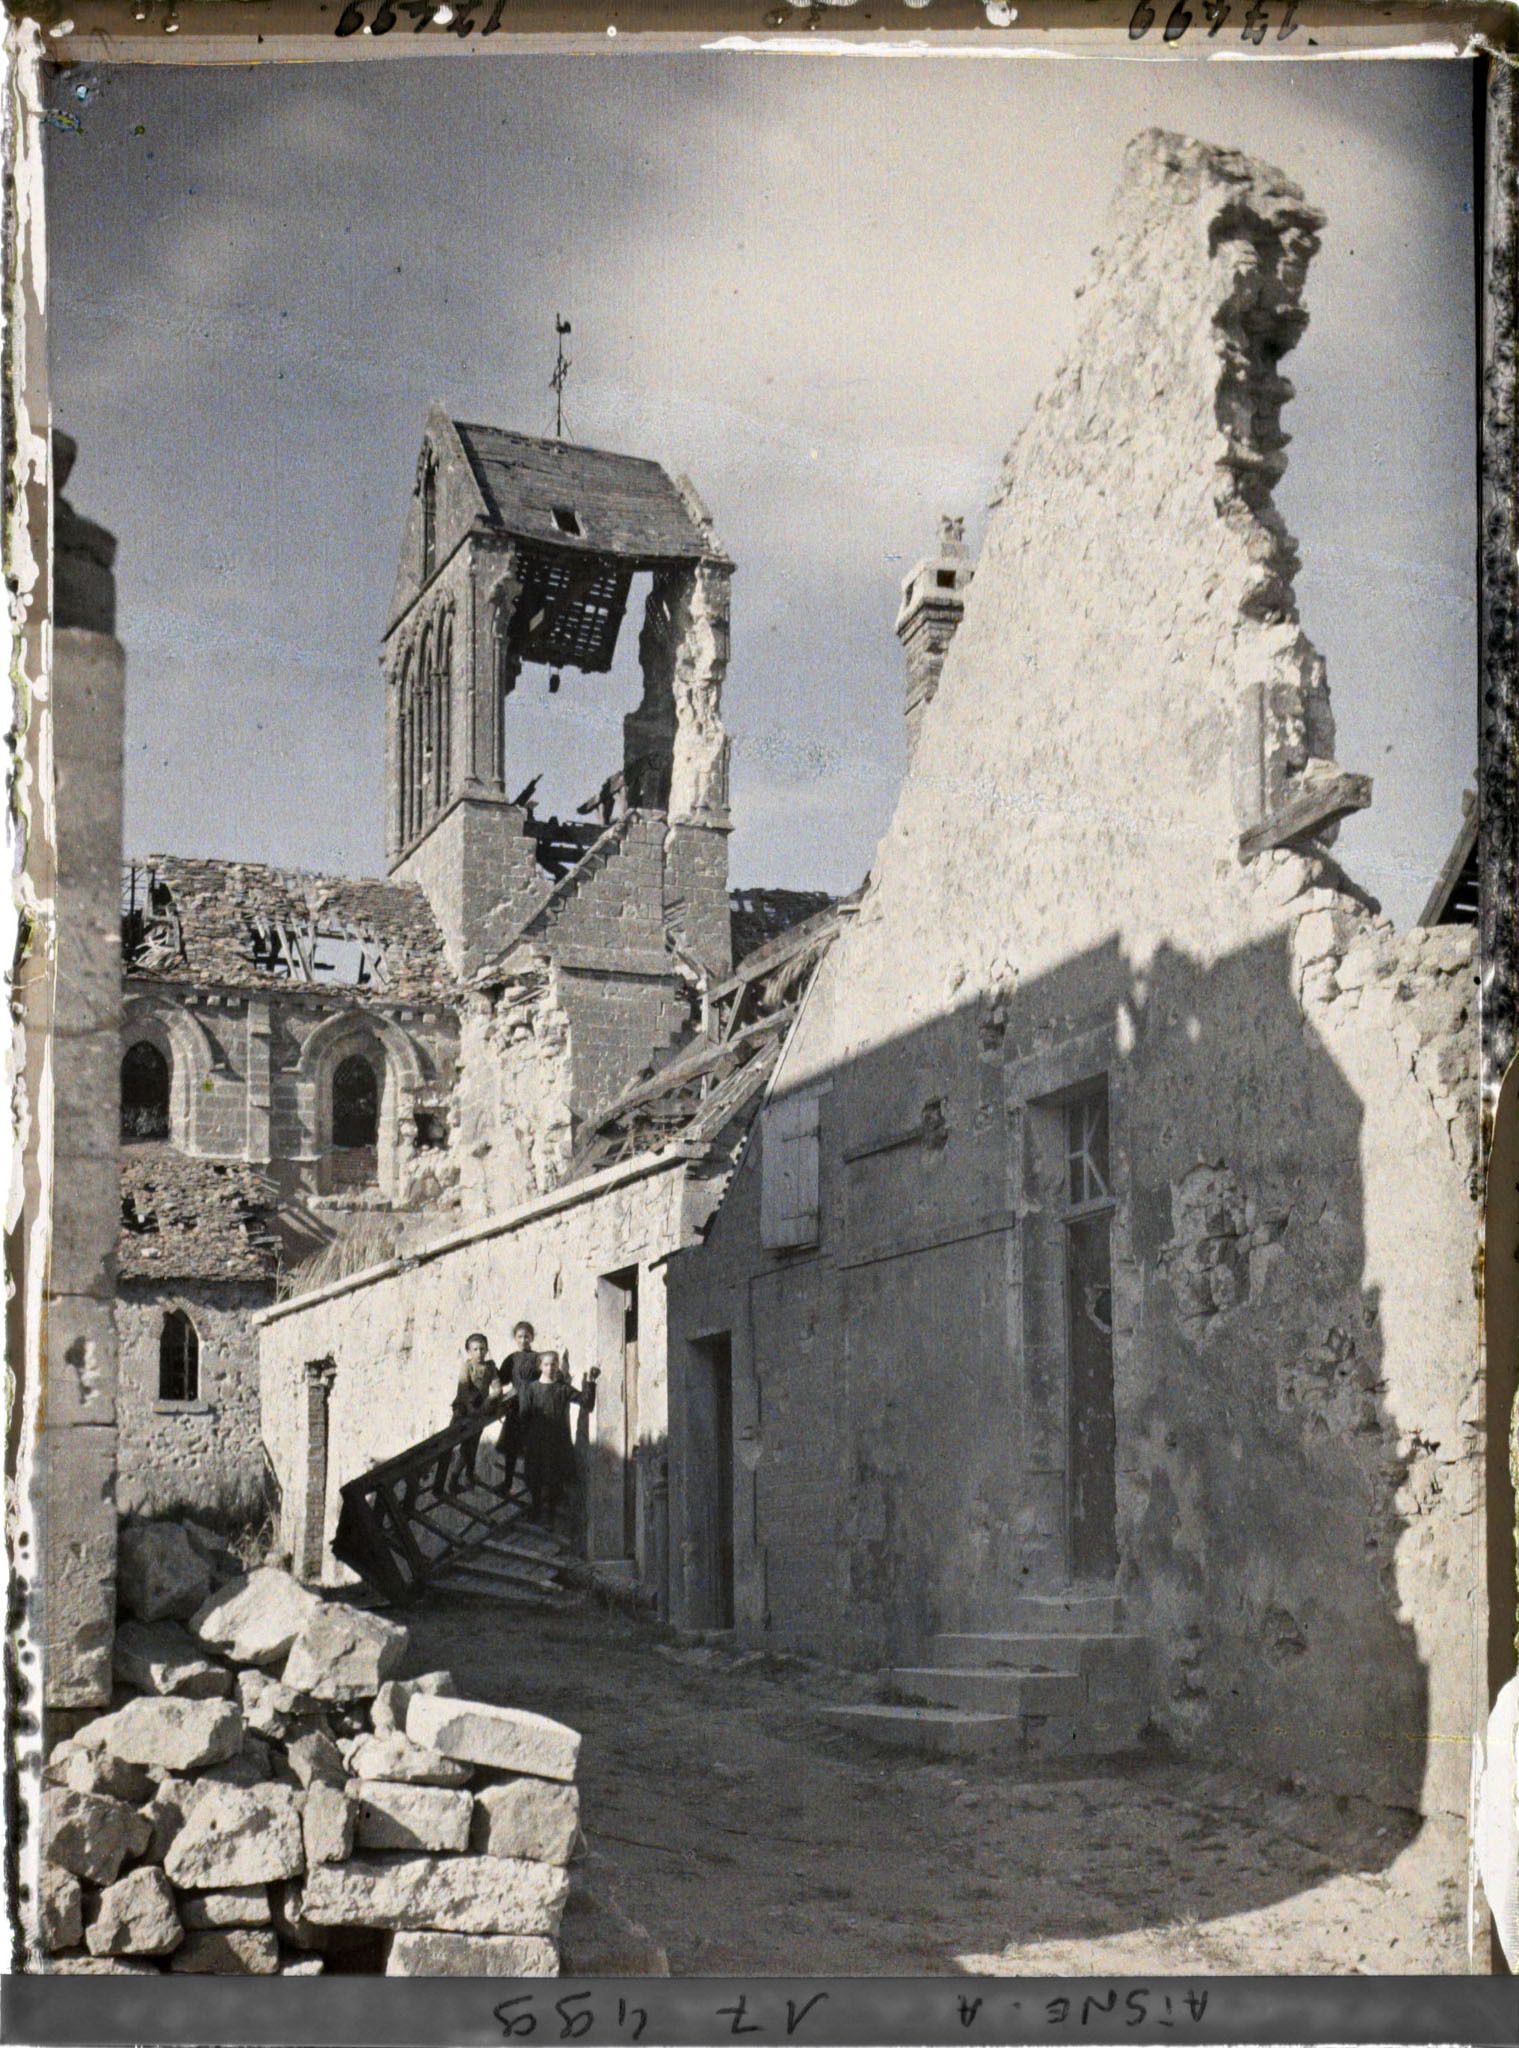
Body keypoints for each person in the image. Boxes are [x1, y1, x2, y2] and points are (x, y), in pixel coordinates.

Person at [519, 1352, 599, 1525]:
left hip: (556, 1442)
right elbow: (524, 1416)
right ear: (540, 1366)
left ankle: (549, 1518)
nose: (550, 1368)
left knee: (551, 1480)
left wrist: (591, 1382)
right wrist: (525, 1442)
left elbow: (586, 1402)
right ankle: (535, 1512)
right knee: (534, 1478)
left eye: (554, 1364)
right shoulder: (531, 1388)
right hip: (536, 1441)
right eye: (547, 1364)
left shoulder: (562, 1388)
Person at [448, 1332, 501, 1492]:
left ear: (486, 1350)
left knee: (472, 1446)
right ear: (469, 1352)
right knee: (454, 1444)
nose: (479, 1353)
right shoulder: (467, 1367)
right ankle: (456, 1477)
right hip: (463, 1410)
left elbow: (497, 1388)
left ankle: (461, 1477)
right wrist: (471, 1409)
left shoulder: (490, 1367)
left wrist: (489, 1400)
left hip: (480, 1411)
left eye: (482, 1349)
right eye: (475, 1349)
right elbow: (463, 1390)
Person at [497, 1321, 543, 1498]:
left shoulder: (538, 1358)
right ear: (515, 1338)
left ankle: (535, 1494)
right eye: (520, 1337)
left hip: (533, 1406)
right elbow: (502, 1379)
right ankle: (507, 1482)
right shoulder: (512, 1359)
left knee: (532, 1450)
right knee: (511, 1446)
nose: (523, 1340)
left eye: (527, 1336)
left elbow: (546, 1378)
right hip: (515, 1407)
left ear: (532, 1337)